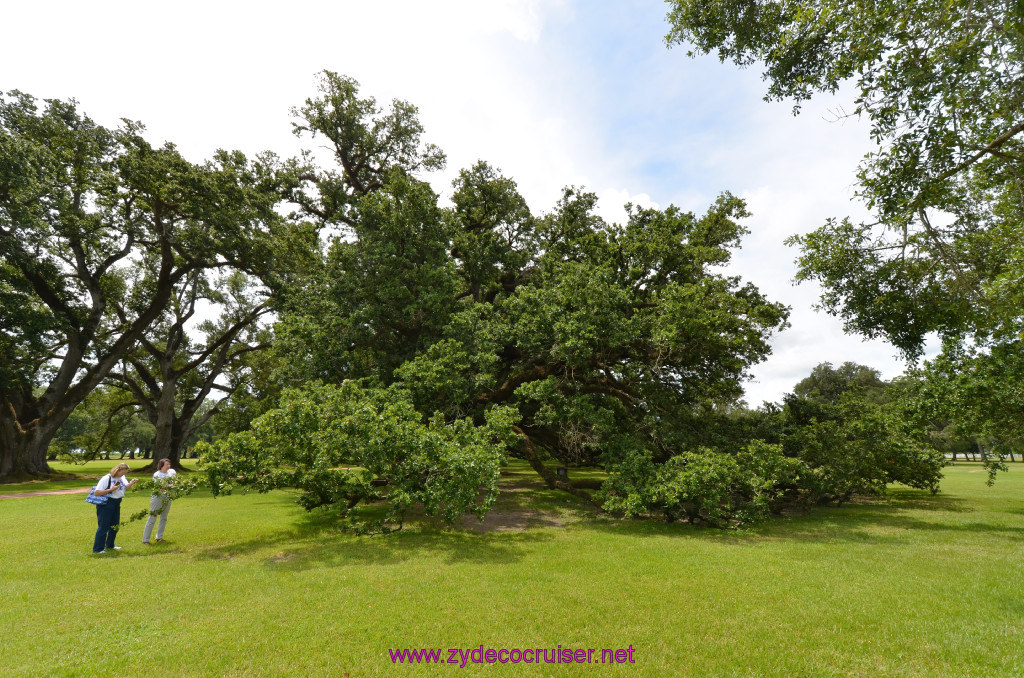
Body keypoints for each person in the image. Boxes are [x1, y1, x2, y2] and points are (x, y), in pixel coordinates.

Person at [92, 463, 137, 554]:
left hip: (117, 502)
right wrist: (111, 490)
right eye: (123, 472)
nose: (123, 475)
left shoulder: (122, 478)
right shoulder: (106, 478)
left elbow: (125, 488)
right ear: (118, 470)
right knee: (103, 526)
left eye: (125, 473)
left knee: (115, 526)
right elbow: (96, 492)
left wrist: (132, 482)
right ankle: (98, 549)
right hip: (106, 503)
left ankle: (110, 545)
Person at [142, 459, 177, 545]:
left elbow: (176, 481)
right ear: (161, 466)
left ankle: (159, 537)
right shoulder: (157, 474)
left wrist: (171, 485)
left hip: (168, 496)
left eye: (169, 464)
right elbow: (161, 487)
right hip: (158, 497)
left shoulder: (172, 472)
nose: (168, 466)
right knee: (153, 517)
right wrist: (170, 485)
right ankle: (145, 539)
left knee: (164, 517)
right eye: (166, 465)